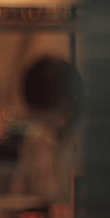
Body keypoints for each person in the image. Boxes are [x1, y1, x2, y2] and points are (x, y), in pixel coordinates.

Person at [11, 56, 84, 203]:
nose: (40, 122)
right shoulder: (35, 138)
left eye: (43, 116)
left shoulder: (87, 142)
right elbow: (18, 195)